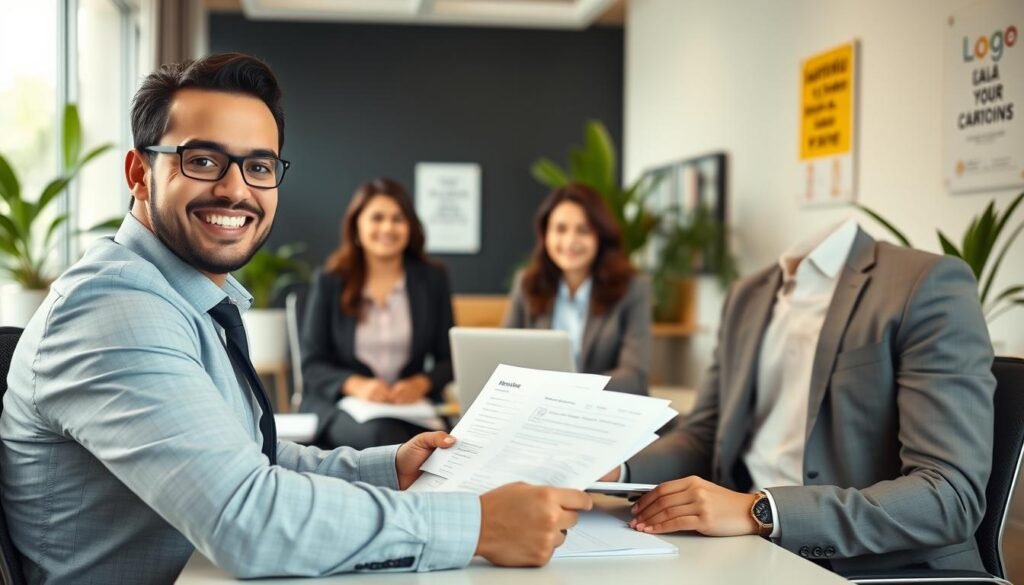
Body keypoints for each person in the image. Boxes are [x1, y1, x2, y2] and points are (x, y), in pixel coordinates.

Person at [0, 53, 591, 584]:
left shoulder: (178, 298)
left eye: (259, 167)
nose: (236, 191)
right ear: (138, 173)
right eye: (203, 160)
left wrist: (388, 469)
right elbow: (247, 519)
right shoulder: (115, 309)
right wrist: (478, 526)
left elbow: (244, 455)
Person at [606, 219, 995, 573]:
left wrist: (758, 510)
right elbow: (704, 435)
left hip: (876, 565)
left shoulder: (923, 283)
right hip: (743, 548)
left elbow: (949, 495)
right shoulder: (747, 295)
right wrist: (614, 468)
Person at [300, 178, 455, 449]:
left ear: (409, 228)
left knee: (446, 443)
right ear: (357, 227)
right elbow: (312, 364)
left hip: (413, 408)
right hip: (345, 407)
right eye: (377, 218)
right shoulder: (331, 280)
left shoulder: (432, 280)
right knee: (385, 439)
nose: (387, 227)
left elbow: (449, 358)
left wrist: (421, 383)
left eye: (397, 219)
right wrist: (356, 385)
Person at [503, 183, 651, 395]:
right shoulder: (527, 284)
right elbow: (504, 358)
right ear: (545, 235)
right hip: (539, 410)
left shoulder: (633, 288)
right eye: (560, 229)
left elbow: (634, 376)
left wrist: (570, 389)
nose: (570, 241)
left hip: (604, 413)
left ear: (600, 235)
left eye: (583, 230)